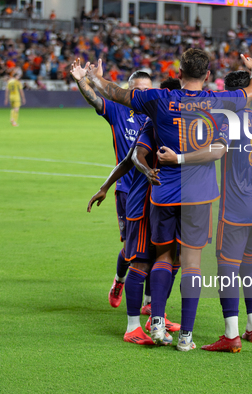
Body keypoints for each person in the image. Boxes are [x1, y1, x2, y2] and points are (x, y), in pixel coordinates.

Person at [85, 49, 252, 351]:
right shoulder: (219, 103)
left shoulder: (157, 100)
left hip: (163, 192)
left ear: (179, 72)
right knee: (191, 264)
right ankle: (186, 338)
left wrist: (90, 76)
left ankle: (155, 321)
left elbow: (115, 93)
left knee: (163, 257)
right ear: (208, 76)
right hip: (199, 195)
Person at [157, 71, 252, 352]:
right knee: (249, 268)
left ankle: (231, 335)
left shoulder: (225, 123)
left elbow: (210, 152)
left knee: (227, 270)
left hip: (234, 212)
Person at [86, 78, 183, 346]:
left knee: (170, 260)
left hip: (167, 205)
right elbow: (135, 157)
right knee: (140, 263)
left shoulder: (178, 124)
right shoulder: (153, 123)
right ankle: (132, 327)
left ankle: (156, 318)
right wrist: (108, 186)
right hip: (142, 204)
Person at [69, 59, 151, 309]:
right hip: (127, 189)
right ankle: (119, 280)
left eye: (148, 90)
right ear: (129, 91)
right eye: (138, 90)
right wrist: (83, 80)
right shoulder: (118, 111)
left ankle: (150, 303)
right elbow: (95, 99)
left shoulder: (158, 113)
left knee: (155, 247)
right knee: (130, 248)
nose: (143, 94)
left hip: (154, 189)